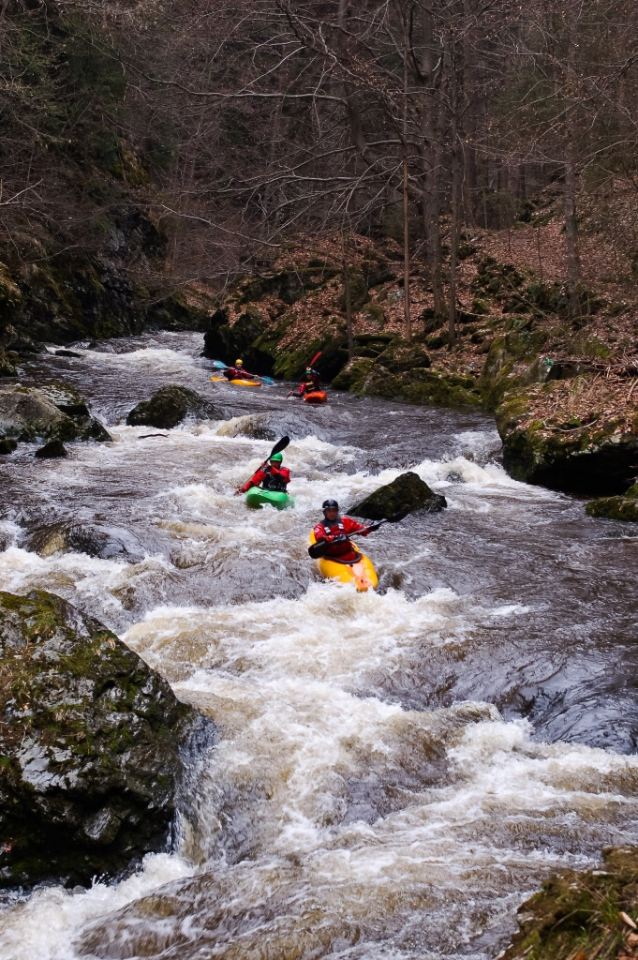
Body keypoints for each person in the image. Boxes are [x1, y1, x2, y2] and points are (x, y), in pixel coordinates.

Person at [311, 499, 380, 562]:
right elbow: (320, 538)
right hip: (332, 557)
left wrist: (371, 527)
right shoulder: (319, 527)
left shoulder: (345, 520)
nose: (332, 513)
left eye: (334, 510)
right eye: (329, 511)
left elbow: (361, 529)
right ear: (324, 512)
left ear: (337, 511)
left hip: (348, 553)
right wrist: (335, 538)